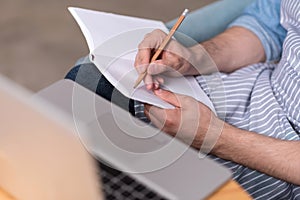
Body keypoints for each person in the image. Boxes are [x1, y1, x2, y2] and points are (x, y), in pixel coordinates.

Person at [66, 0, 300, 199]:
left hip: (276, 166)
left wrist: (218, 138)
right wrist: (194, 57)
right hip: (251, 90)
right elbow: (269, 25)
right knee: (85, 91)